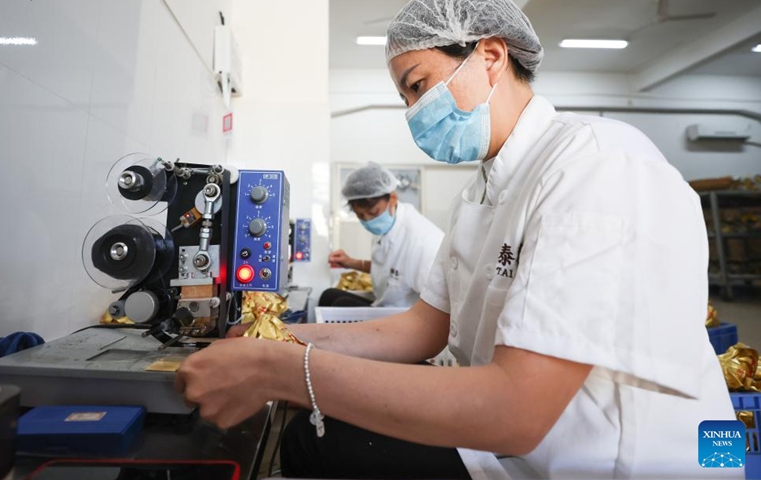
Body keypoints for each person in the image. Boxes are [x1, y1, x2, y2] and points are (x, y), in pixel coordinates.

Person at [174, 0, 738, 478]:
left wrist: (280, 371)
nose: (415, 112)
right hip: (524, 448)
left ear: (490, 56)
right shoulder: (482, 193)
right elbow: (421, 327)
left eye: (418, 86)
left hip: (611, 459)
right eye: (405, 99)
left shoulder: (595, 165)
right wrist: (282, 338)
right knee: (326, 434)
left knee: (315, 444)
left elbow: (518, 409)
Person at [319, 162, 444, 308]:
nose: (368, 220)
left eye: (373, 213)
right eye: (360, 215)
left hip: (405, 319)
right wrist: (350, 262)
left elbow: (439, 307)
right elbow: (388, 268)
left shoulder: (421, 242)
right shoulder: (389, 226)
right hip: (384, 306)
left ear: (392, 198)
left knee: (341, 305)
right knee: (329, 295)